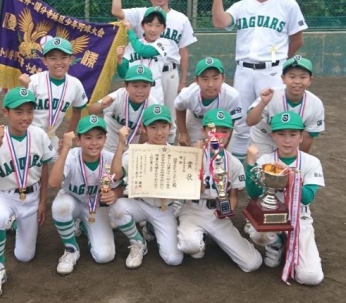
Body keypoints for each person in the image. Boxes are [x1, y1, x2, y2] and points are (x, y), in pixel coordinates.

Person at [0, 37, 87, 251]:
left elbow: (79, 109)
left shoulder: (75, 84)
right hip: (25, 136)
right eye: (52, 58)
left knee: (70, 164)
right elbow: (19, 108)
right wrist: (25, 86)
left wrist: (70, 135)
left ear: (71, 59)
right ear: (44, 60)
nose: (58, 62)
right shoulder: (35, 81)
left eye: (63, 57)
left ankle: (75, 213)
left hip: (49, 139)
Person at [211, 0, 308, 160]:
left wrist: (281, 62)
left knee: (272, 121)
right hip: (244, 72)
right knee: (241, 122)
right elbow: (220, 22)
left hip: (272, 71)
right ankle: (239, 175)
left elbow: (297, 39)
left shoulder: (287, 4)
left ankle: (271, 168)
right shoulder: (242, 5)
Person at [0, 87, 55, 298]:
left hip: (31, 196)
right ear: (6, 112)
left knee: (25, 256)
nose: (25, 117)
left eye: (29, 111)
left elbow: (45, 168)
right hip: (4, 195)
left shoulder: (38, 135)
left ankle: (14, 224)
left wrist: (42, 203)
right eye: (18, 111)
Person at [112, 0, 197, 143]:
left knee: (169, 116)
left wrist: (182, 81)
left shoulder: (177, 22)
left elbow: (183, 51)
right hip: (143, 77)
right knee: (148, 118)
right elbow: (116, 11)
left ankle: (168, 147)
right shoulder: (140, 13)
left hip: (169, 73)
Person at [176, 109, 262, 272]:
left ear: (230, 133)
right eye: (213, 130)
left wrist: (228, 209)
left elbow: (234, 196)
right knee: (190, 246)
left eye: (224, 130)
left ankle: (212, 235)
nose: (218, 134)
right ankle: (199, 240)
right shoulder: (191, 156)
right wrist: (197, 157)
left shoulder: (234, 164)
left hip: (216, 214)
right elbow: (192, 188)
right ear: (203, 131)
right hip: (192, 210)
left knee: (253, 263)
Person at [245, 111, 325, 285]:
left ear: (301, 137)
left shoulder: (312, 162)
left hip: (299, 217)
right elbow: (253, 194)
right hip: (271, 215)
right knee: (259, 234)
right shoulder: (266, 160)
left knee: (310, 277)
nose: (287, 140)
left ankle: (292, 243)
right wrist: (250, 164)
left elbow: (307, 198)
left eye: (293, 134)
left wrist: (290, 177)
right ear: (273, 136)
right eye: (281, 134)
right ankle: (275, 242)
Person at [109, 104, 183, 269]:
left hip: (165, 208)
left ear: (170, 127)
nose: (159, 132)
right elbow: (116, 174)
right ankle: (138, 243)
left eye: (164, 126)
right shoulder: (136, 152)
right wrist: (121, 144)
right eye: (153, 127)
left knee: (173, 259)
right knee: (118, 209)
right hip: (141, 203)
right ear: (144, 128)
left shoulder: (179, 154)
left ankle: (150, 228)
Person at [48, 115, 123, 275]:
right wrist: (65, 149)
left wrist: (116, 193)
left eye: (99, 137)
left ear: (105, 139)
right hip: (73, 201)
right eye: (88, 138)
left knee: (105, 256)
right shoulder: (71, 156)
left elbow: (120, 183)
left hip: (96, 207)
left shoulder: (109, 159)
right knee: (61, 207)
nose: (94, 143)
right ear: (78, 140)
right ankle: (71, 249)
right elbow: (53, 183)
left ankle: (84, 225)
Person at [246, 55, 324, 157]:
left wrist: (298, 160)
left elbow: (307, 137)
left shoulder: (315, 104)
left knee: (288, 170)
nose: (297, 81)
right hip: (264, 136)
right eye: (292, 77)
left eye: (303, 77)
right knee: (262, 169)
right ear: (283, 79)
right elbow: (250, 121)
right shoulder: (271, 95)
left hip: (290, 140)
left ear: (310, 80)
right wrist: (263, 103)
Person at [174, 57, 242, 147]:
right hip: (196, 121)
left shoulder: (232, 96)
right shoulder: (188, 94)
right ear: (197, 80)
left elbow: (231, 123)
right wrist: (183, 132)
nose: (210, 84)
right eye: (205, 79)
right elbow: (179, 107)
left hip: (220, 124)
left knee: (221, 153)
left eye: (215, 78)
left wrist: (223, 148)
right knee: (190, 153)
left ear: (223, 78)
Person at [88, 65, 158, 153]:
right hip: (111, 140)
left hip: (134, 143)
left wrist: (139, 151)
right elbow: (91, 111)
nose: (140, 91)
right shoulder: (118, 96)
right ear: (126, 86)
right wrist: (101, 105)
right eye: (135, 86)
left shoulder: (153, 105)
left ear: (151, 86)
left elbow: (147, 134)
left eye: (145, 86)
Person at [116, 8, 172, 105]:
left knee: (154, 119)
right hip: (134, 90)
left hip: (154, 90)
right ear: (142, 25)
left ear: (164, 28)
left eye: (158, 25)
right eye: (149, 25)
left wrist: (130, 31)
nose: (153, 29)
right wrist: (120, 60)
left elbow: (143, 51)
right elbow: (123, 74)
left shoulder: (164, 43)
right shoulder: (132, 45)